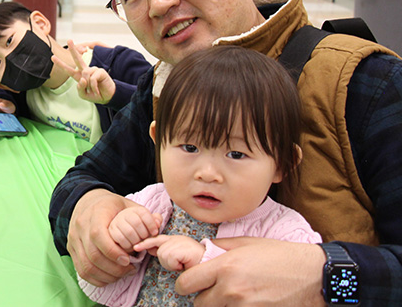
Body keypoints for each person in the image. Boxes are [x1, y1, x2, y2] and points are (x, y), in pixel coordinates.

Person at [49, 0, 402, 306]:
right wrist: (85, 211)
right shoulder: (165, 87)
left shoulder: (365, 84)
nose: (158, 2)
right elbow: (84, 177)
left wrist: (325, 276)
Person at [77, 46, 321, 306]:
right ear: (158, 141)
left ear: (282, 164)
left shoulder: (288, 235)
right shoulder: (148, 204)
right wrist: (120, 245)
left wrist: (206, 259)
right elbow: (95, 284)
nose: (208, 174)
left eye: (236, 154)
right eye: (190, 148)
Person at [0, 1, 151, 143]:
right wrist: (0, 99)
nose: (10, 58)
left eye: (9, 41)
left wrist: (115, 94)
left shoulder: (117, 64)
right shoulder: (26, 94)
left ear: (40, 23)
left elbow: (165, 106)